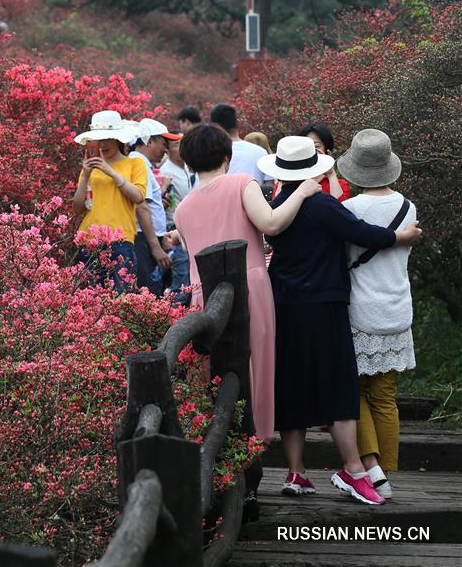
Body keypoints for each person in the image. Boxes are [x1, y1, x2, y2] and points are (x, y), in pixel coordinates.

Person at [261, 135, 422, 505]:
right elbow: (362, 234)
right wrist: (403, 236)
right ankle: (355, 469)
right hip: (325, 302)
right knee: (338, 385)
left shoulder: (278, 204)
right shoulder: (322, 206)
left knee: (292, 385)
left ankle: (296, 471)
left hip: (284, 303)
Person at [172, 125, 322, 440]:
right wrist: (304, 191)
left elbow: (190, 248)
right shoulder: (242, 183)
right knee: (257, 359)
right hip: (250, 283)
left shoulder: (182, 209)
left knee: (213, 370)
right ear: (226, 156)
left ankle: (217, 437)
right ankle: (255, 436)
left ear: (188, 162)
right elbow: (271, 223)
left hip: (203, 295)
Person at [340, 129, 417, 500]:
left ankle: (371, 470)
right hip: (398, 307)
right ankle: (385, 471)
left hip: (362, 311)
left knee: (354, 392)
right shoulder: (408, 207)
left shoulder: (352, 210)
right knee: (386, 397)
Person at [72, 111, 149, 293]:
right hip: (89, 241)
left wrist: (110, 172)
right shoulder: (89, 168)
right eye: (99, 139)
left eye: (108, 138)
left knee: (119, 299)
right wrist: (85, 177)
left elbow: (138, 196)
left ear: (118, 139)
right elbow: (77, 208)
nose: (103, 144)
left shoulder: (134, 164)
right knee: (88, 302)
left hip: (120, 240)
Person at [127, 119, 179, 296]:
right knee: (146, 294)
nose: (165, 150)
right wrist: (155, 246)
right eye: (163, 144)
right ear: (149, 141)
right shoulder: (138, 163)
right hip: (142, 239)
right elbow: (141, 207)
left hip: (147, 238)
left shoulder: (141, 163)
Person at [157, 130, 193, 305]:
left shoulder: (186, 167)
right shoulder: (166, 172)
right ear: (167, 150)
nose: (181, 148)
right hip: (174, 228)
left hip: (187, 226)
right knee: (181, 278)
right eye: (176, 145)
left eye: (182, 143)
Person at [210, 103, 273, 195]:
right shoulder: (260, 152)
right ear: (237, 123)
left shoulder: (210, 154)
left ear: (215, 126)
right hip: (254, 207)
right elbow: (270, 188)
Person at [297, 123, 350, 201]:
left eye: (316, 146)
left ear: (327, 150)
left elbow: (339, 209)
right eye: (306, 147)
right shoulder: (290, 182)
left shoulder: (340, 184)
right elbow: (275, 209)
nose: (311, 151)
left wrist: (331, 174)